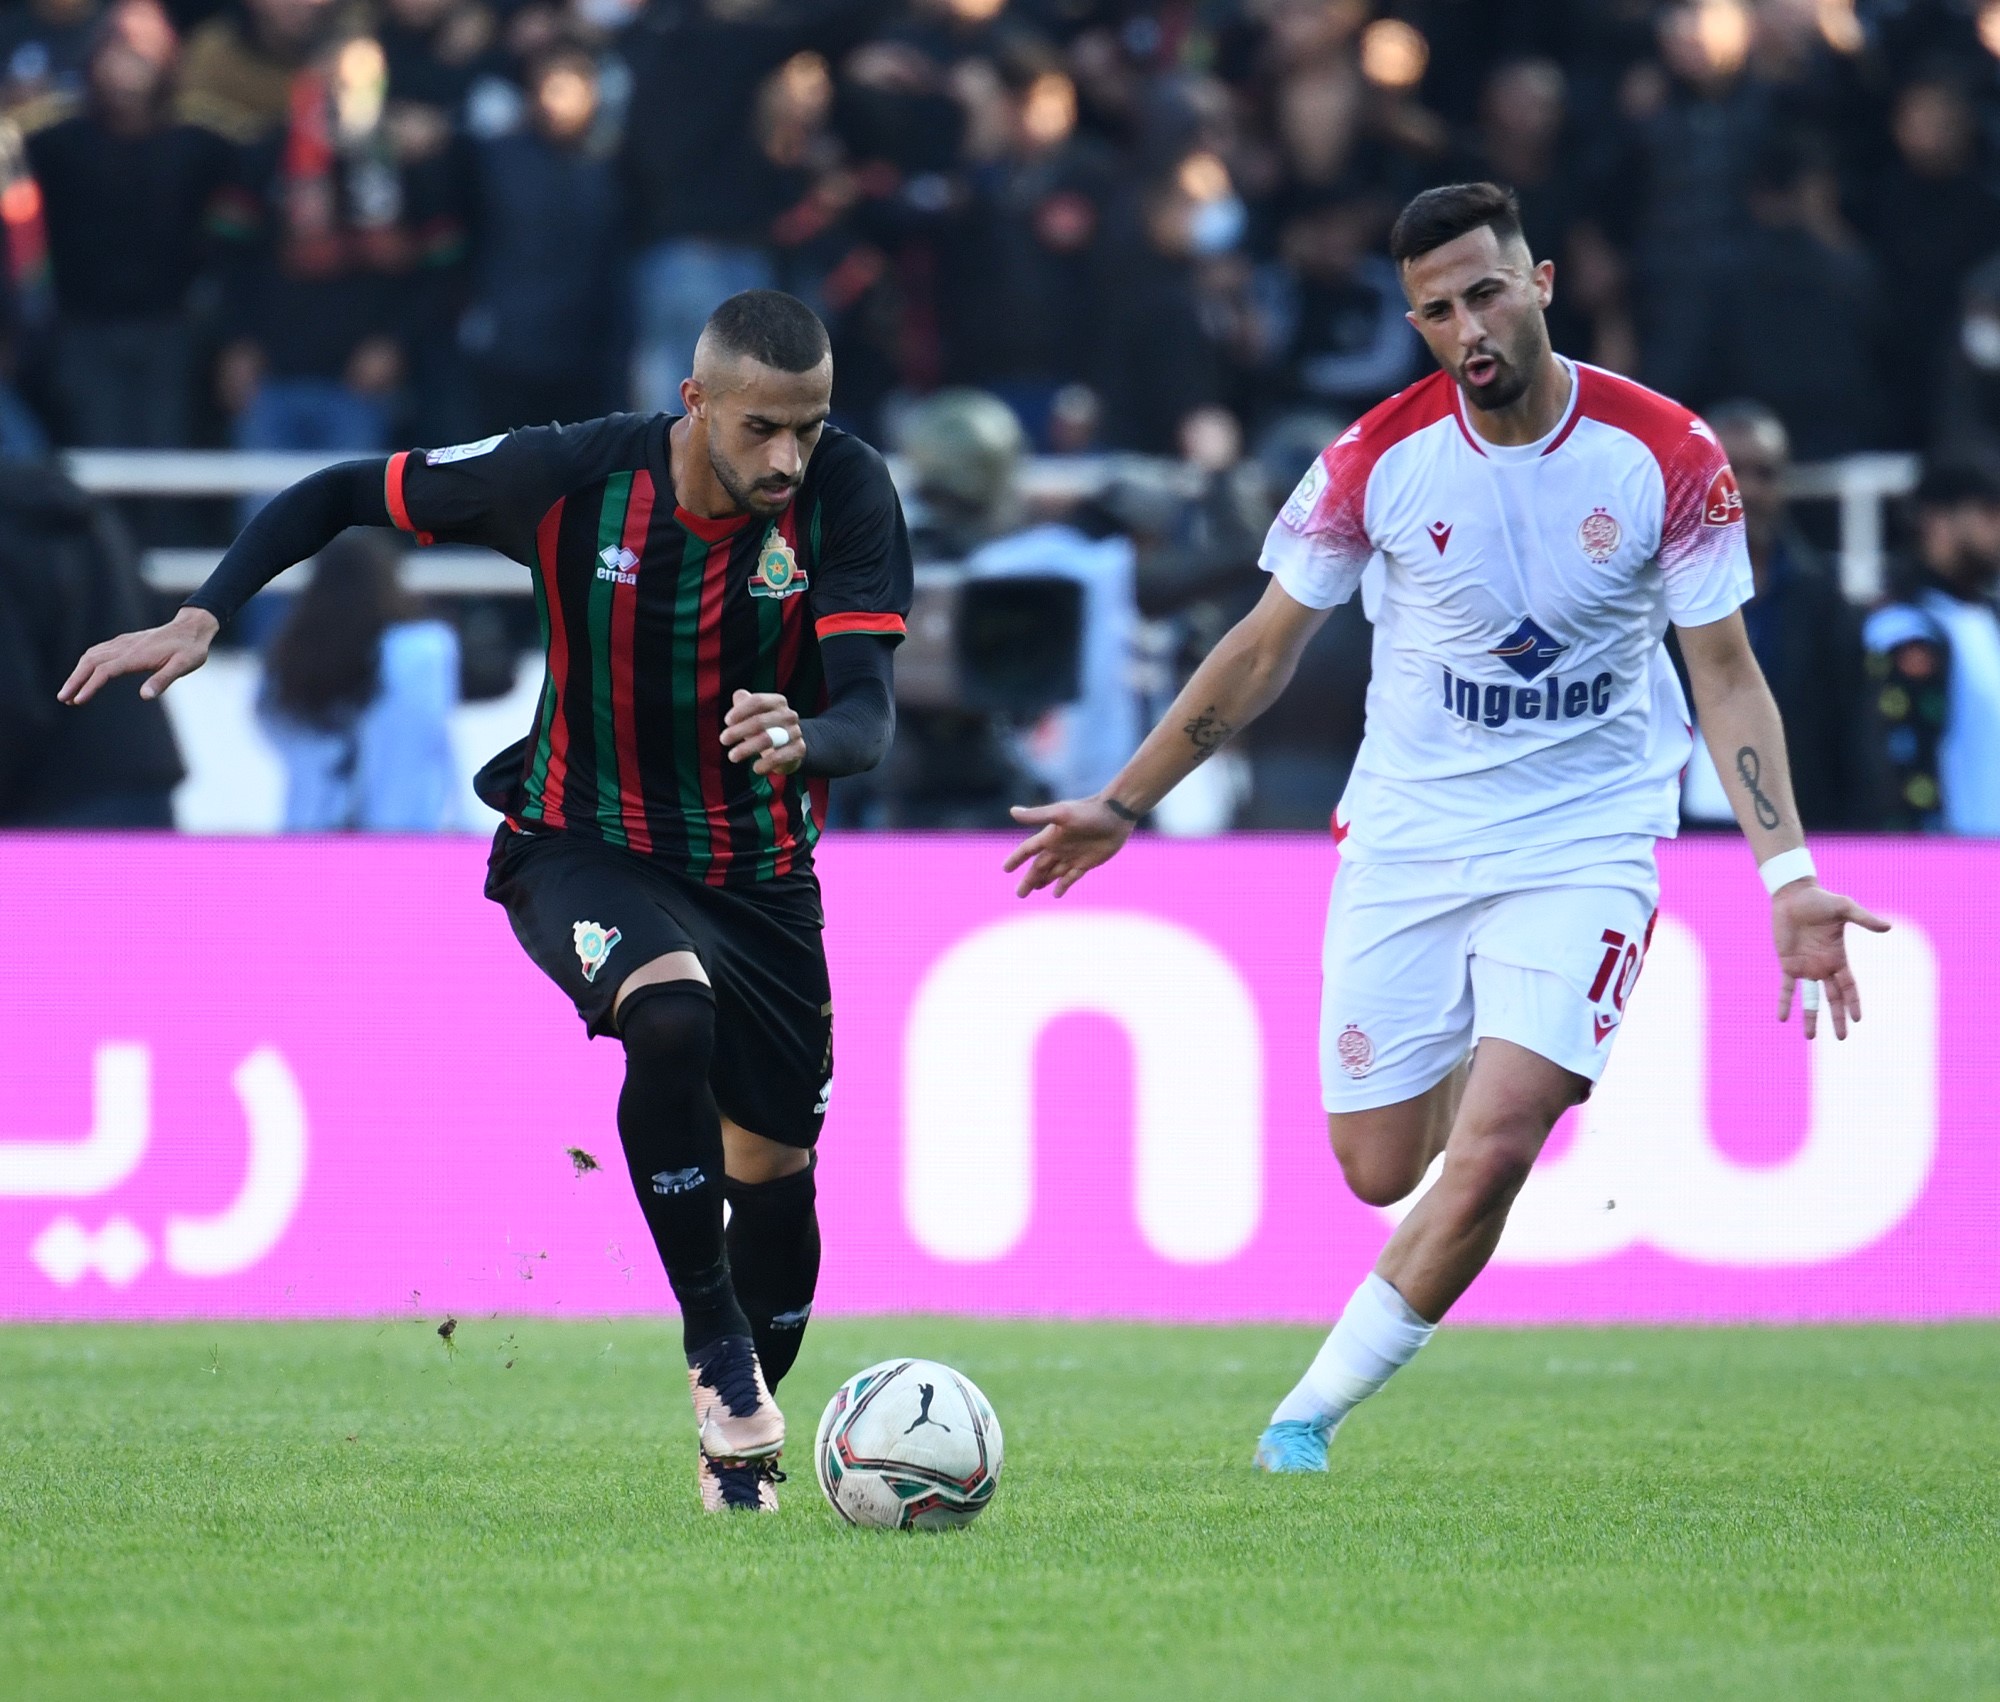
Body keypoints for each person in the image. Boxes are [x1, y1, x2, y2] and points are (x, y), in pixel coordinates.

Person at [1005, 183, 1887, 1473]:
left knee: (1494, 1148)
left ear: (1537, 284)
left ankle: (1299, 1417)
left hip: (1584, 838)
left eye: (1483, 292)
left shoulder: (1665, 453)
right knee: (1376, 1167)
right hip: (1411, 837)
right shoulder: (1373, 460)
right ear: (1413, 322)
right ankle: (1508, 1040)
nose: (1465, 326)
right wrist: (1124, 801)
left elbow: (1725, 670)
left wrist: (1787, 874)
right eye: (1434, 309)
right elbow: (1260, 648)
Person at [59, 290, 912, 1513]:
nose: (788, 456)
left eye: (809, 427)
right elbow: (341, 490)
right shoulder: (565, 477)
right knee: (667, 1016)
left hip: (760, 872)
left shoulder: (847, 489)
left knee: (775, 1169)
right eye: (764, 427)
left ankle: (741, 1442)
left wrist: (807, 731)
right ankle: (716, 1350)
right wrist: (206, 610)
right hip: (579, 839)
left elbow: (868, 714)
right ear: (697, 402)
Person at [1675, 400, 1883, 831]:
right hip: (1674, 838)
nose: (1747, 490)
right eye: (1732, 472)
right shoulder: (1653, 594)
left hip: (1797, 838)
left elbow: (1856, 738)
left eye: (1764, 474)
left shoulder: (1826, 602)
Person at [0, 458, 182, 826]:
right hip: (140, 771)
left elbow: (11, 698)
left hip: (48, 803)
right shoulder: (81, 507)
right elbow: (155, 614)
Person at [257, 528, 461, 831]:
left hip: (310, 828)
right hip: (406, 831)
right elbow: (433, 735)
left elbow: (270, 724)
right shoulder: (424, 649)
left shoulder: (294, 653)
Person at [1863, 460, 2000, 836]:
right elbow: (1893, 764)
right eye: (1989, 511)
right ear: (1935, 519)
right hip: (1942, 865)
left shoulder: (1988, 618)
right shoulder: (1899, 628)